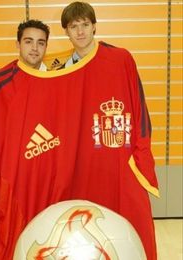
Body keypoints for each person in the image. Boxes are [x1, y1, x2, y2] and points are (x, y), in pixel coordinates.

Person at [59, 2, 159, 260]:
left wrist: (140, 153)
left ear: (94, 26)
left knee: (131, 226)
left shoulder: (120, 58)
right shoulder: (60, 72)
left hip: (118, 158)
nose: (80, 32)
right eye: (73, 26)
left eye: (84, 24)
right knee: (84, 230)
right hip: (80, 162)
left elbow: (140, 108)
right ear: (66, 32)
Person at [0, 19, 50, 260]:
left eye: (40, 42)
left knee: (50, 241)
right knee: (10, 245)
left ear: (46, 47)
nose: (34, 48)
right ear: (17, 44)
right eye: (28, 41)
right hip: (12, 181)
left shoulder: (59, 82)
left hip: (49, 180)